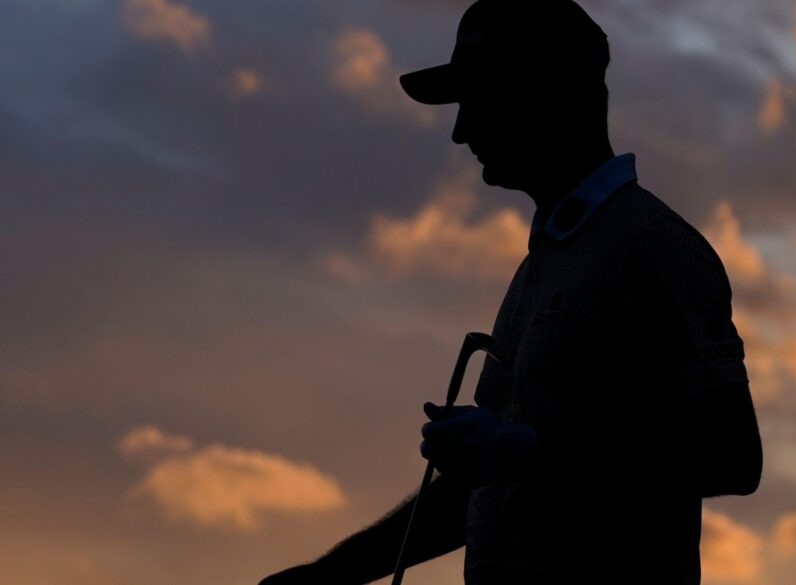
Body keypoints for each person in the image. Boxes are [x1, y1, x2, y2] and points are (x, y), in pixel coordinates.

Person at [259, 0, 762, 583]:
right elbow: (490, 482)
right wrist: (329, 575)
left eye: (478, 100)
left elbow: (730, 455)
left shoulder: (651, 246)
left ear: (544, 94)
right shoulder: (545, 262)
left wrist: (525, 451)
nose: (460, 130)